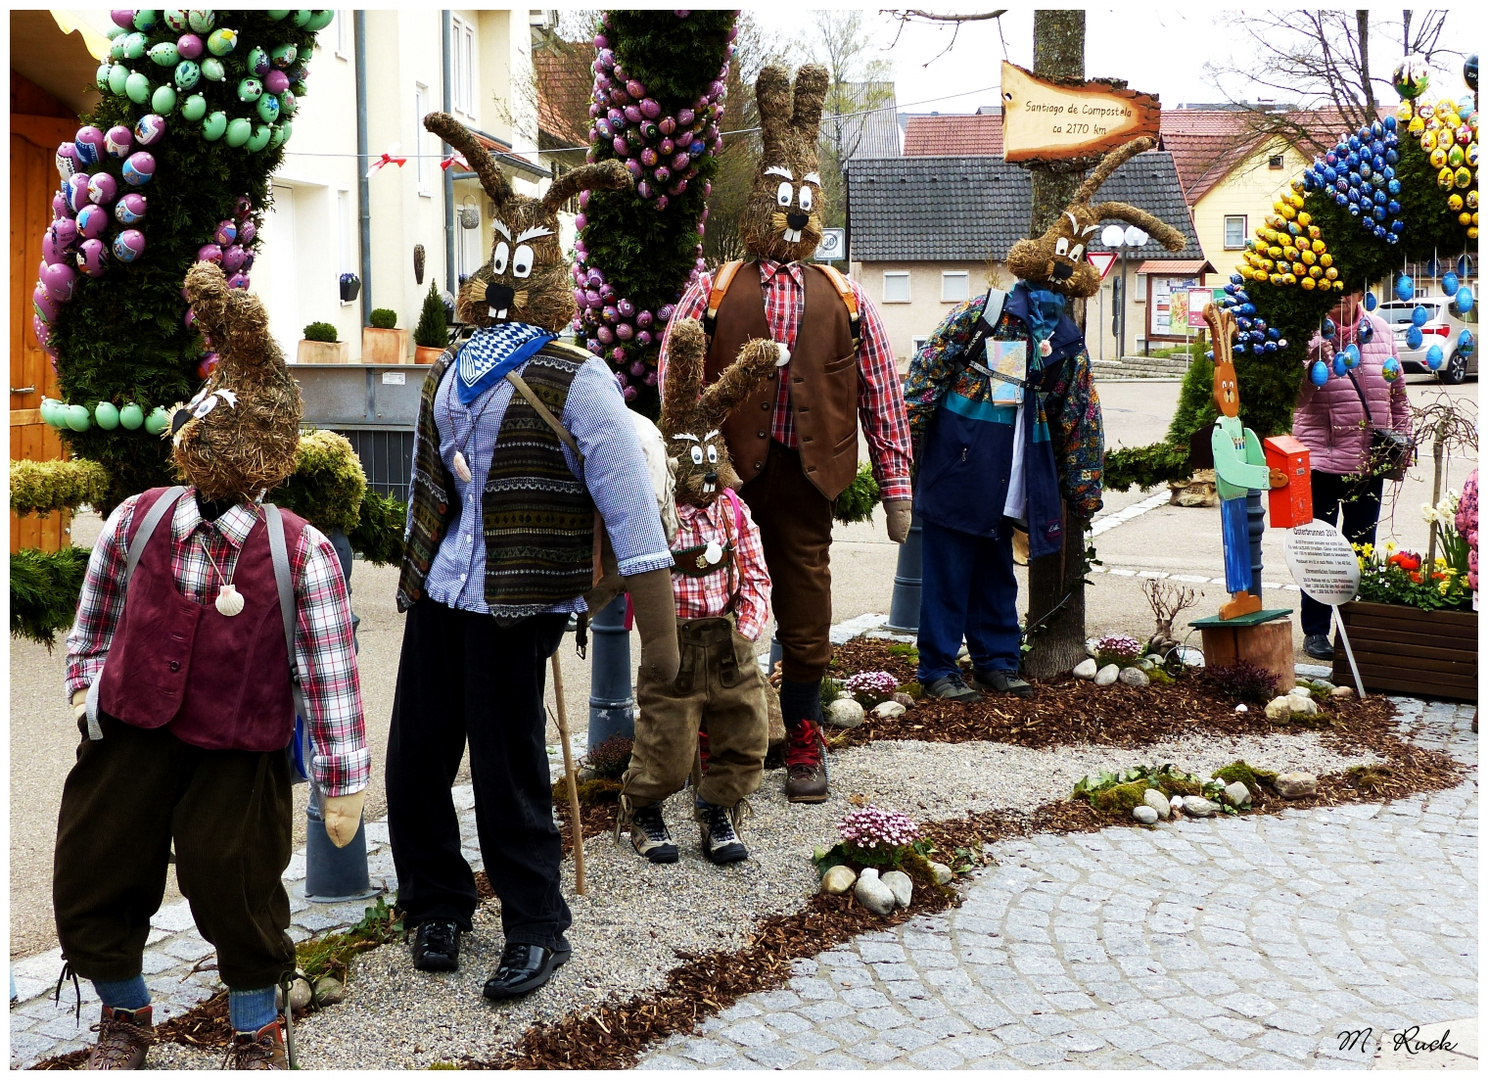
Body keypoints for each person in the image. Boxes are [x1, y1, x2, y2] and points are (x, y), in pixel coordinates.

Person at [387, 112, 679, 1002]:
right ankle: (435, 901)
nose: (508, 280)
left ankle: (536, 924)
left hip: (523, 597)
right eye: (500, 263)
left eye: (526, 265)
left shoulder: (578, 375)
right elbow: (426, 481)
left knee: (509, 762)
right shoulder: (451, 365)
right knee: (416, 756)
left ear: (547, 276)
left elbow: (631, 512)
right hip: (445, 589)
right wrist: (414, 571)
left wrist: (658, 637)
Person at [56, 263, 368, 1070]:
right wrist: (88, 691)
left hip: (239, 742)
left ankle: (258, 1025)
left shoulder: (297, 549)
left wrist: (342, 778)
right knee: (96, 871)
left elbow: (331, 673)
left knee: (234, 885)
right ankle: (125, 1018)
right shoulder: (140, 516)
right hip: (129, 730)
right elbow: (96, 614)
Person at [657, 64, 913, 803]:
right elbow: (673, 377)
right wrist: (677, 460)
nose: (795, 217)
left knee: (805, 601)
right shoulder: (711, 288)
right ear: (760, 199)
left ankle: (803, 731)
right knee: (712, 597)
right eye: (783, 200)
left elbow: (883, 397)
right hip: (721, 483)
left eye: (806, 203)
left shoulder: (846, 295)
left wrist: (896, 489)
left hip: (807, 475)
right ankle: (720, 732)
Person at [903, 136, 1185, 701]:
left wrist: (1083, 488)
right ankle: (936, 670)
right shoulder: (981, 316)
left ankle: (997, 662)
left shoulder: (1065, 342)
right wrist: (909, 448)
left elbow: (1079, 416)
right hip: (958, 466)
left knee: (996, 573)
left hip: (1012, 477)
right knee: (947, 573)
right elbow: (923, 375)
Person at [619, 318, 776, 866]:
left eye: (712, 456)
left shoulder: (732, 511)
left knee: (746, 735)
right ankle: (643, 806)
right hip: (675, 643)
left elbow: (755, 573)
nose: (704, 469)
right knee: (667, 742)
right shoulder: (656, 512)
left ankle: (717, 807)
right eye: (692, 456)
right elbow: (635, 570)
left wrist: (747, 630)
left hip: (728, 641)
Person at [1294, 287, 1412, 659]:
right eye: (1334, 293)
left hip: (1368, 462)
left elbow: (1398, 395)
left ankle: (1352, 626)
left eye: (1349, 292)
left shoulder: (1381, 331)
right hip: (1321, 461)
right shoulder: (1310, 336)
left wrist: (1403, 442)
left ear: (1361, 293)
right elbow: (1297, 402)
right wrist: (1314, 360)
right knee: (1320, 550)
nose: (1342, 299)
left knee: (1360, 548)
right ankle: (1315, 630)